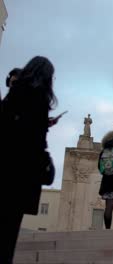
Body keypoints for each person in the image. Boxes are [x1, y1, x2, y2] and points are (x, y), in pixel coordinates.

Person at [0, 57, 57, 264]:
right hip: (20, 175)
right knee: (7, 235)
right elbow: (33, 142)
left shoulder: (12, 95)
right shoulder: (39, 98)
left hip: (4, 169)